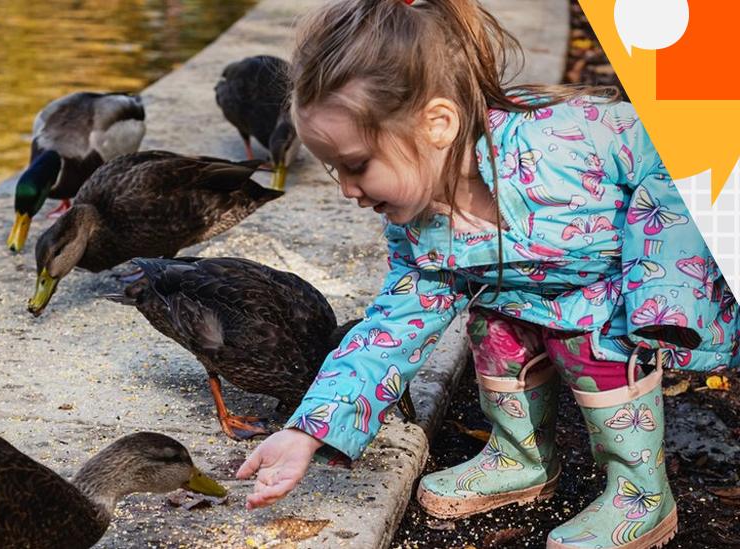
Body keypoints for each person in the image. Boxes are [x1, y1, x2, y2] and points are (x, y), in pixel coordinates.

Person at [235, 1, 738, 547]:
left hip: (605, 296)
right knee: (492, 328)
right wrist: (306, 431)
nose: (347, 190)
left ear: (438, 124)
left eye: (357, 165)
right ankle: (520, 456)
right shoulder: (419, 230)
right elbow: (391, 328)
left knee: (595, 344)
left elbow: (685, 154)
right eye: (335, 169)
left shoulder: (568, 143)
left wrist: (665, 291)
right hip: (518, 304)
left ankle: (640, 492)